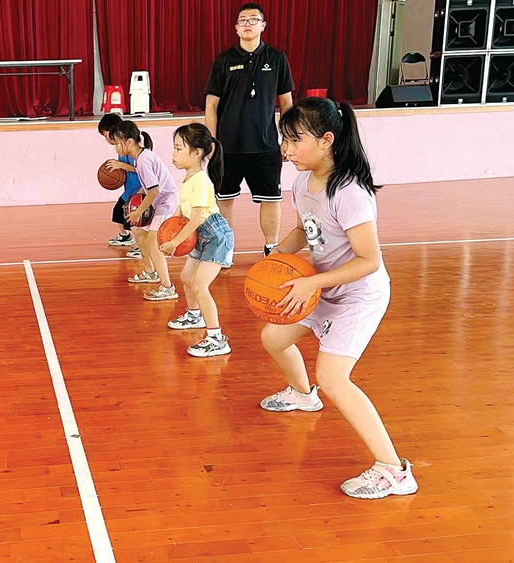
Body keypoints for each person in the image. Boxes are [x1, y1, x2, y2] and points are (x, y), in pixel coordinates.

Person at [259, 97, 418, 499]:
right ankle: (301, 394)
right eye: (284, 139)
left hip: (359, 295)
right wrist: (275, 258)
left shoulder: (349, 192)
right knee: (273, 337)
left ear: (326, 140)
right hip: (323, 286)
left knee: (333, 377)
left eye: (295, 140)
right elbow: (304, 230)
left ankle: (394, 471)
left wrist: (312, 283)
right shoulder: (302, 182)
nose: (286, 149)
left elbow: (369, 260)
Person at [204, 2, 294, 259]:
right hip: (227, 146)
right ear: (236, 28)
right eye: (243, 20)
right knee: (223, 199)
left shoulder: (277, 58)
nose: (247, 24)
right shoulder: (223, 60)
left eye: (253, 19)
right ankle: (225, 249)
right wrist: (212, 143)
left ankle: (271, 248)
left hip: (265, 146)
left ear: (263, 26)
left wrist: (288, 139)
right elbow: (211, 105)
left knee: (271, 198)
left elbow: (286, 103)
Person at [161, 123, 234, 357]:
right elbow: (180, 215)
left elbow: (195, 220)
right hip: (201, 236)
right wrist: (166, 234)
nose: (173, 154)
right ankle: (194, 315)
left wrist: (175, 242)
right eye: (174, 148)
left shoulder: (201, 181)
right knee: (186, 277)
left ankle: (216, 338)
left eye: (178, 149)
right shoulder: (187, 180)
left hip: (216, 237)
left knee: (200, 286)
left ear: (196, 153)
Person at [109, 120, 180, 301]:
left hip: (165, 202)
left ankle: (168, 287)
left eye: (117, 143)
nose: (115, 147)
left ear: (129, 142)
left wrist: (138, 211)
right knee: (140, 235)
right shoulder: (140, 157)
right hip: (158, 201)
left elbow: (154, 190)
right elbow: (148, 187)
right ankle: (150, 272)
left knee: (152, 243)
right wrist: (136, 199)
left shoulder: (143, 160)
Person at [98, 113, 142, 259]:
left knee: (132, 221)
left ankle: (141, 247)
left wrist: (121, 165)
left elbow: (138, 169)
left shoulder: (132, 151)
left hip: (139, 190)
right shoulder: (121, 150)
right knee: (118, 212)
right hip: (128, 191)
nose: (106, 140)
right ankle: (125, 236)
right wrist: (115, 167)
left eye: (106, 136)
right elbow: (123, 169)